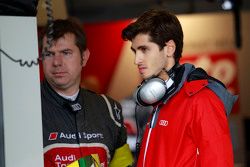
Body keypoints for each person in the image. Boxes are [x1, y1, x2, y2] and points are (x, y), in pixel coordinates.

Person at [121, 9, 238, 167]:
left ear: (169, 48)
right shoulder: (160, 99)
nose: (137, 60)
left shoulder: (202, 100)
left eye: (144, 49)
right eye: (135, 51)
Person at [40, 18, 134, 167]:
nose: (57, 62)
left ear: (84, 57)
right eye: (49, 54)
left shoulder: (108, 108)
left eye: (66, 52)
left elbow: (123, 164)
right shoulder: (26, 108)